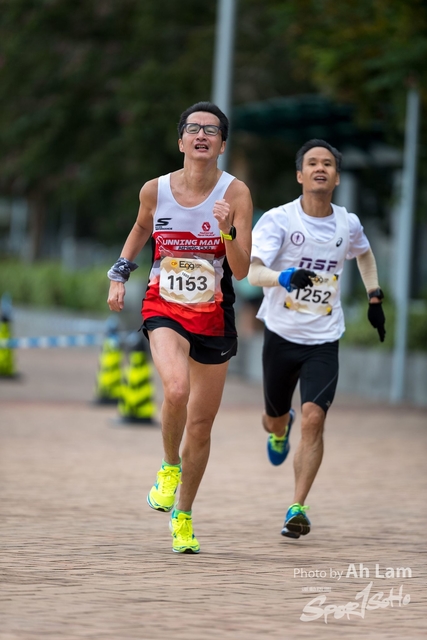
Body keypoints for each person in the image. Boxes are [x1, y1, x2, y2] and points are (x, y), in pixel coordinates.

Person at [107, 102, 253, 553]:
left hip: (213, 315)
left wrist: (227, 231)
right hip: (164, 305)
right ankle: (169, 466)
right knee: (176, 390)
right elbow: (141, 228)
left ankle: (183, 515)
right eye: (193, 128)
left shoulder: (236, 193)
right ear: (181, 141)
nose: (202, 135)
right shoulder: (155, 189)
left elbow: (241, 269)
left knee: (202, 425)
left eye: (212, 130)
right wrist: (119, 273)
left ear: (222, 145)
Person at [248, 139, 386, 539]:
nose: (320, 168)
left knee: (315, 419)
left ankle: (297, 507)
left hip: (324, 337)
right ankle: (279, 429)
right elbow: (253, 273)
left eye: (328, 164)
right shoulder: (279, 220)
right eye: (312, 163)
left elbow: (364, 254)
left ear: (337, 177)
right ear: (300, 175)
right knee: (274, 418)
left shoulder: (347, 223)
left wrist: (374, 296)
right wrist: (284, 277)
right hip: (281, 334)